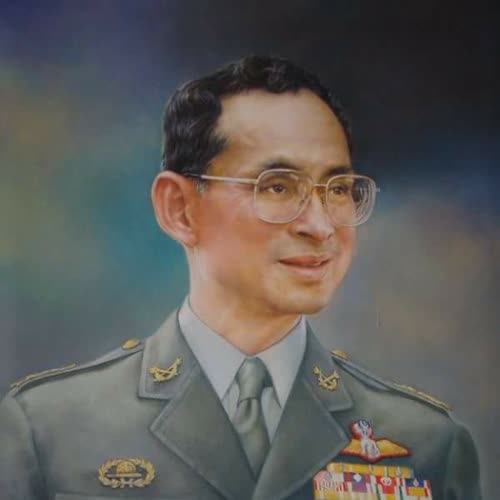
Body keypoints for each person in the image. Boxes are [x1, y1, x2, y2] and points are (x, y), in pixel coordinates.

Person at [0, 55, 481, 500]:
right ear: (179, 209)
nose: (320, 226)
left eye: (337, 189)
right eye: (277, 186)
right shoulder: (47, 431)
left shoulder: (426, 444)